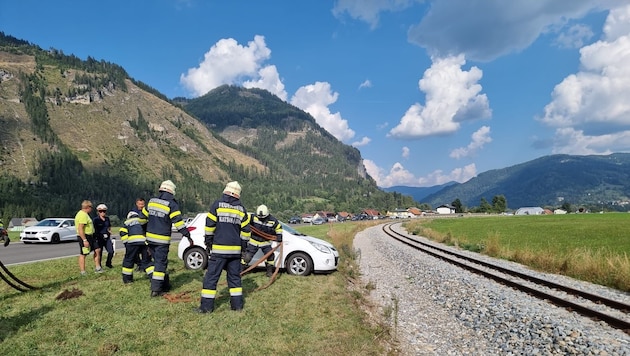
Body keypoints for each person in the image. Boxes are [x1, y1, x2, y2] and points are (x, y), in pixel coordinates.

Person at [195, 181, 250, 313]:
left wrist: (208, 241)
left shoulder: (217, 205)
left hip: (219, 250)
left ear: (225, 191)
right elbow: (246, 232)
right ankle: (237, 307)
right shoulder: (242, 209)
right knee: (235, 279)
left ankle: (206, 308)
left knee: (211, 278)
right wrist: (243, 248)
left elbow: (209, 226)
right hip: (235, 252)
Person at [142, 180, 193, 297]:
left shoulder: (151, 201)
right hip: (161, 240)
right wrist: (187, 235)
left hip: (149, 239)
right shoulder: (171, 204)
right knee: (160, 264)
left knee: (155, 261)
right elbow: (178, 223)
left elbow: (142, 218)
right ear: (171, 191)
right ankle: (156, 290)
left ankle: (164, 283)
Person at [241, 204, 282, 277]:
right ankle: (241, 271)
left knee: (270, 256)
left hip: (265, 242)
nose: (260, 219)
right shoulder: (253, 217)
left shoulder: (272, 220)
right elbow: (244, 220)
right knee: (247, 257)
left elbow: (278, 228)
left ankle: (269, 272)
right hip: (253, 241)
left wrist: (279, 236)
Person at [119, 210, 154, 283]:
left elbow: (122, 232)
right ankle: (153, 277)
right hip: (144, 243)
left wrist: (126, 244)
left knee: (128, 260)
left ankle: (127, 280)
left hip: (132, 243)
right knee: (147, 261)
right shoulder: (142, 220)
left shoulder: (127, 222)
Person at [75, 200, 102, 275]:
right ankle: (83, 271)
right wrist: (84, 240)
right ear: (88, 207)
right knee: (84, 253)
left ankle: (98, 267)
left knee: (97, 249)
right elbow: (80, 228)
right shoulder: (82, 215)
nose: (92, 209)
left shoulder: (85, 214)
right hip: (85, 236)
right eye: (91, 207)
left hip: (91, 236)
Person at [93, 204, 114, 268]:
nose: (102, 212)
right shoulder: (95, 220)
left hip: (107, 238)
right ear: (98, 212)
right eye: (100, 211)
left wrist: (109, 231)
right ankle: (99, 265)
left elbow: (109, 227)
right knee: (99, 253)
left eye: (104, 211)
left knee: (111, 251)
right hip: (99, 238)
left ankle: (108, 263)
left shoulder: (107, 219)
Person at [132, 197, 149, 271]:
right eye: (140, 204)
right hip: (136, 234)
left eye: (142, 204)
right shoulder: (133, 212)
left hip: (146, 234)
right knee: (135, 252)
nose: (141, 206)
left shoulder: (147, 211)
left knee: (146, 252)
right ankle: (139, 264)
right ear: (136, 204)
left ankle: (145, 265)